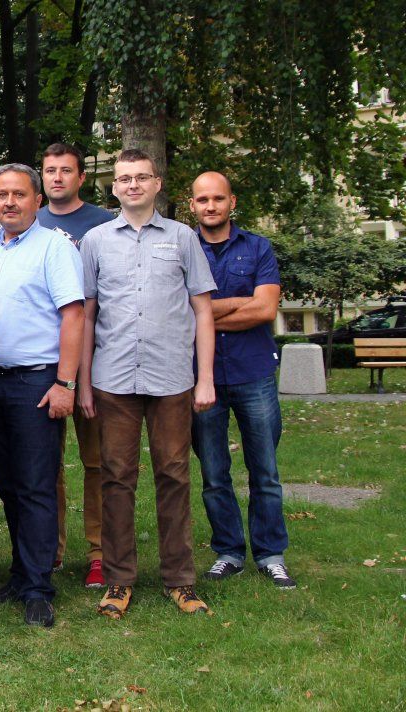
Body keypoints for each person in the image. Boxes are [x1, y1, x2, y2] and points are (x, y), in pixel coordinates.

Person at [79, 149, 217, 619]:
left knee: (174, 474)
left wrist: (205, 378)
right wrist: (82, 383)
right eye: (123, 179)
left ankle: (180, 579)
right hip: (113, 379)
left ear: (158, 184)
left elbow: (203, 311)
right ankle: (118, 581)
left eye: (141, 177)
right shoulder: (95, 241)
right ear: (113, 187)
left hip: (172, 378)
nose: (132, 185)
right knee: (116, 477)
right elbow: (88, 314)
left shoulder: (183, 239)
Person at [0, 165, 85, 628]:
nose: (9, 202)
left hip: (37, 382)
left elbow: (73, 316)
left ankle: (38, 588)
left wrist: (66, 383)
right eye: (1, 195)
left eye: (19, 194)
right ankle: (20, 574)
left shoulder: (54, 246)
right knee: (8, 486)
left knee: (36, 485)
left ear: (37, 200)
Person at [189, 171, 295, 589]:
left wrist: (206, 313)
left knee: (265, 470)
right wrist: (238, 303)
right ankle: (228, 551)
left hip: (254, 373)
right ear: (192, 204)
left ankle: (270, 553)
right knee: (214, 472)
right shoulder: (183, 249)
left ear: (232, 202)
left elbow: (266, 310)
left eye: (218, 199)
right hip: (203, 377)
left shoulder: (258, 248)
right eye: (202, 200)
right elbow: (178, 313)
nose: (210, 206)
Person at [36, 142, 116, 587]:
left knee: (97, 461)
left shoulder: (104, 224)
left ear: (81, 177)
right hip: (43, 360)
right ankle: (51, 550)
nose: (58, 178)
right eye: (50, 171)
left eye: (66, 170)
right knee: (46, 465)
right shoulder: (32, 223)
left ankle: (100, 554)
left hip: (98, 358)